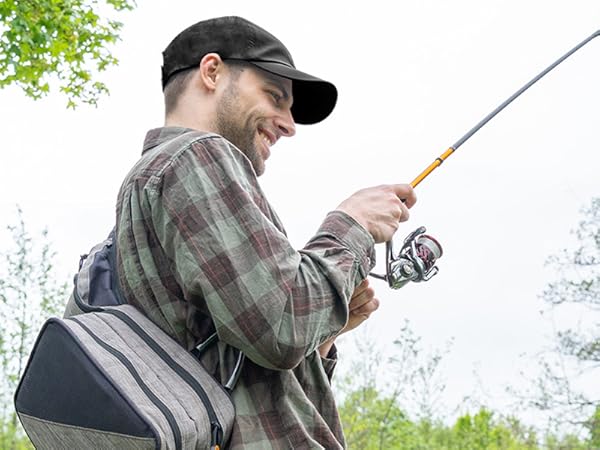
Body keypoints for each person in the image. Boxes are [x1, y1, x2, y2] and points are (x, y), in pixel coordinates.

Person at [115, 15, 416, 449]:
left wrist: (325, 332)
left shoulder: (151, 186)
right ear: (212, 71)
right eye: (275, 97)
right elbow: (282, 327)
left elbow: (242, 368)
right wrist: (352, 225)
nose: (289, 124)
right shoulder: (196, 156)